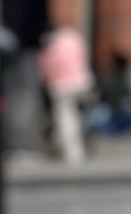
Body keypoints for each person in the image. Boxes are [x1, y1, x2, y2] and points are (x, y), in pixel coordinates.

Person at [0, 0, 52, 150]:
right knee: (27, 94)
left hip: (10, 44)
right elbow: (40, 17)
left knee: (10, 92)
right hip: (28, 46)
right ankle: (22, 142)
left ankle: (8, 140)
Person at [37, 27, 94, 165]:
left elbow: (45, 67)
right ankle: (71, 145)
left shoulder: (51, 44)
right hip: (83, 81)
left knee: (65, 119)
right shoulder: (74, 38)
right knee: (77, 116)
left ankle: (72, 151)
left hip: (62, 86)